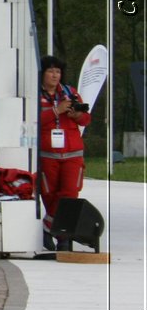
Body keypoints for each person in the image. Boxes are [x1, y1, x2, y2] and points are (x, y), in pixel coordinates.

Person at [37, 55, 90, 249]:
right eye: (50, 71)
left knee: (69, 195)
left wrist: (77, 114)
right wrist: (56, 110)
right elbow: (34, 121)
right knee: (50, 196)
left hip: (72, 154)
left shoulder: (70, 92)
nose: (54, 75)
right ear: (42, 73)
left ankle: (52, 229)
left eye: (58, 71)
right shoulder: (35, 94)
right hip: (47, 155)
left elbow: (86, 120)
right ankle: (61, 237)